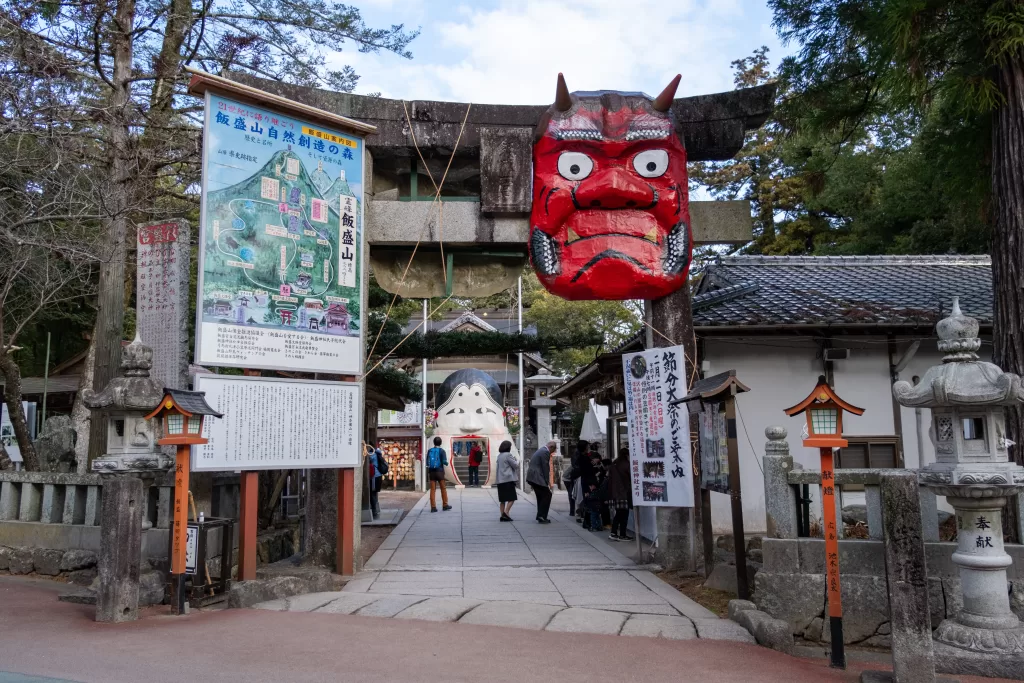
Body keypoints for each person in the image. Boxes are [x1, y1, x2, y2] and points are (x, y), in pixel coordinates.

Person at [606, 447, 634, 541]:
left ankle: (614, 533)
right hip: (623, 493)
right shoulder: (627, 465)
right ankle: (622, 534)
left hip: (614, 493)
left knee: (618, 514)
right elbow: (631, 478)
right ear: (627, 455)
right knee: (624, 515)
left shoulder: (614, 464)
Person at [527, 440, 557, 523]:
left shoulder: (541, 450)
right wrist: (547, 481)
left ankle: (541, 515)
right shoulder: (545, 452)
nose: (552, 453)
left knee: (541, 496)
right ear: (551, 447)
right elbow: (545, 467)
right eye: (553, 451)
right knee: (547, 495)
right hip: (537, 477)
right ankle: (541, 516)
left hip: (533, 476)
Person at [579, 445, 604, 531]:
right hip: (590, 486)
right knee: (591, 507)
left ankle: (591, 524)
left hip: (592, 486)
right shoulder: (587, 463)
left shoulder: (596, 466)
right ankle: (590, 524)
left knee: (592, 507)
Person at [425, 436, 452, 513]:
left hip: (432, 472)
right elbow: (444, 461)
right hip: (440, 472)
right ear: (440, 443)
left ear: (434, 442)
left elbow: (427, 462)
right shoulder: (442, 451)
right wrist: (446, 463)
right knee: (443, 489)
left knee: (433, 490)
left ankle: (433, 507)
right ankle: (445, 505)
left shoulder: (430, 451)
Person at [495, 440, 519, 521]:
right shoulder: (508, 455)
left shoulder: (499, 456)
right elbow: (515, 465)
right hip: (508, 480)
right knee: (512, 498)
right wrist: (516, 460)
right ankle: (506, 512)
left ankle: (502, 515)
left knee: (502, 500)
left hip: (500, 480)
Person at [564, 440, 588, 519]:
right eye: (587, 446)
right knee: (574, 493)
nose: (588, 448)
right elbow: (576, 466)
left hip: (575, 476)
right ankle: (574, 511)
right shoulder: (578, 455)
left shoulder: (579, 454)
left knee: (573, 493)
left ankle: (574, 511)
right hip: (575, 477)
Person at [369, 446, 386, 519]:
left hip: (373, 476)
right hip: (378, 475)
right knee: (374, 493)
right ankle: (375, 509)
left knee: (372, 493)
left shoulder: (371, 454)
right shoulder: (378, 453)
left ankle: (374, 510)